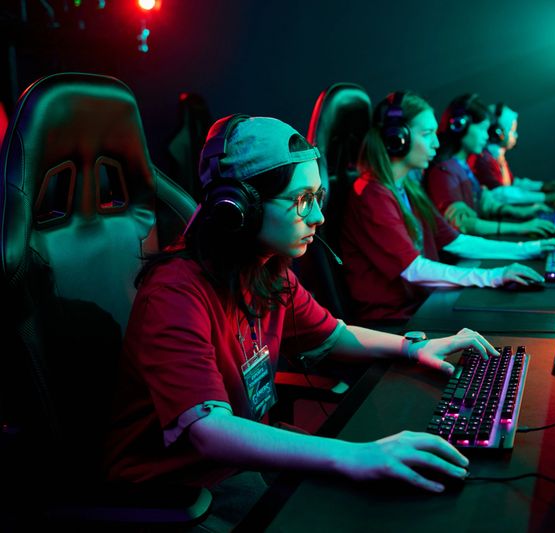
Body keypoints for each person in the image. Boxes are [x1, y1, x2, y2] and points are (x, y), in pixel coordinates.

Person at [104, 116, 505, 518]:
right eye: (302, 200)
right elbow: (210, 432)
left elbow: (335, 334)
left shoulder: (266, 270)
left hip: (238, 465)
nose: (318, 217)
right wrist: (357, 456)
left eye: (317, 197)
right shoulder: (175, 293)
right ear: (238, 209)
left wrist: (413, 347)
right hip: (178, 495)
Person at [340, 91, 555, 324]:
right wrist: (493, 276)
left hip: (422, 307)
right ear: (397, 138)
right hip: (396, 323)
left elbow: (455, 241)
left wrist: (530, 248)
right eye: (427, 134)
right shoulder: (373, 195)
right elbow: (414, 269)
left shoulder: (407, 187)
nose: (436, 142)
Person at [424, 93, 555, 236]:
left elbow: (482, 200)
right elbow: (463, 223)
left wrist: (521, 212)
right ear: (459, 126)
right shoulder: (444, 170)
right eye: (482, 128)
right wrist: (521, 227)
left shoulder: (461, 165)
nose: (486, 136)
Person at [469, 102, 555, 206]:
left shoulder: (497, 157)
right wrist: (545, 197)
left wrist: (542, 186)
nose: (515, 135)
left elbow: (511, 183)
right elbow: (502, 193)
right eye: (512, 131)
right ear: (497, 133)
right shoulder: (484, 159)